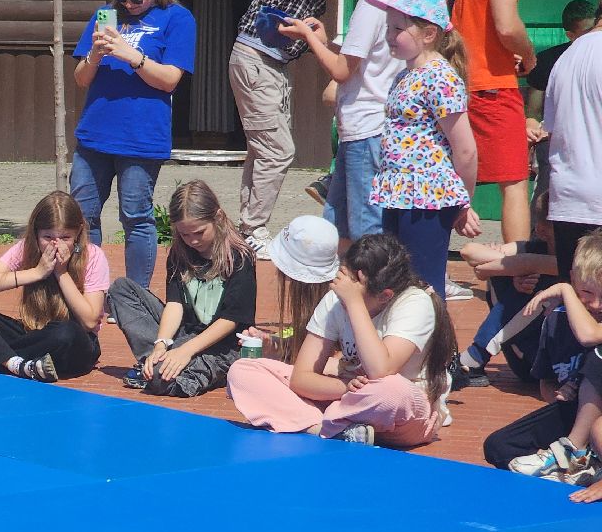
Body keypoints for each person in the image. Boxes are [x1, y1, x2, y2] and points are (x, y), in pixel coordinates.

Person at [227, 233, 456, 448]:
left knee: (392, 390)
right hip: (344, 395)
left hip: (398, 411)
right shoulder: (336, 297)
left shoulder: (415, 302)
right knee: (243, 370)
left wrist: (354, 304)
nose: (340, 294)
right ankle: (325, 429)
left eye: (352, 291)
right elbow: (301, 378)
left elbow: (380, 371)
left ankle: (314, 422)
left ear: (385, 296)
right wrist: (345, 387)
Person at [70, 0, 195, 286]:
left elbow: (170, 79)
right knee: (82, 217)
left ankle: (134, 297)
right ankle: (90, 288)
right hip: (95, 133)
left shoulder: (177, 19)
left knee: (136, 216)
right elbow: (81, 79)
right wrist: (95, 54)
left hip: (141, 137)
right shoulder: (105, 14)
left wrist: (131, 56)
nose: (128, 4)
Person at [279, 0, 400, 250]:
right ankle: (346, 294)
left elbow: (342, 71)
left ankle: (371, 294)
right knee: (339, 223)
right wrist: (324, 40)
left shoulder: (369, 6)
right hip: (366, 129)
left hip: (366, 129)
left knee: (364, 228)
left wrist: (308, 38)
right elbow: (359, 65)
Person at [227, 0, 333, 258]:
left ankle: (247, 228)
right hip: (256, 61)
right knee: (278, 151)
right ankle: (253, 227)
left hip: (271, 66)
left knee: (263, 149)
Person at [368, 0, 482, 297]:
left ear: (428, 34)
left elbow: (465, 149)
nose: (390, 36)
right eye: (388, 28)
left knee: (423, 284)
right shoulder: (404, 76)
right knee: (395, 281)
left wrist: (463, 203)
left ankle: (434, 345)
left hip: (427, 197)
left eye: (398, 29)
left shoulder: (440, 78)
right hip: (399, 193)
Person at [0, 191, 105, 382]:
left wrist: (61, 272)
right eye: (48, 237)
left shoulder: (93, 256)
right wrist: (37, 272)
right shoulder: (26, 248)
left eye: (65, 238)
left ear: (78, 232)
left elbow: (89, 321)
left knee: (65, 332)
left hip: (73, 344)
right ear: (36, 232)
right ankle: (16, 364)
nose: (56, 245)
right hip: (32, 333)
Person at [109, 180, 257, 398]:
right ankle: (158, 359)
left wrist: (186, 350)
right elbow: (175, 303)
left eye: (199, 232)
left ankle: (188, 368)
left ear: (217, 218)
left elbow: (231, 319)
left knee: (162, 380)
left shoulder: (239, 257)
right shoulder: (180, 252)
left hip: (222, 344)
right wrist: (161, 344)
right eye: (185, 234)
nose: (192, 241)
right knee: (121, 289)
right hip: (183, 333)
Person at [439, 0, 535, 245]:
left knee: (450, 179)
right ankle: (518, 277)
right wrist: (530, 55)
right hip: (494, 85)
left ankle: (433, 268)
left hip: (457, 86)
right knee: (515, 183)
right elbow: (506, 25)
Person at [482, 232, 602, 473]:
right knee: (498, 447)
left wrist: (566, 291)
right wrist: (560, 393)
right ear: (573, 278)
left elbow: (589, 336)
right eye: (587, 293)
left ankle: (575, 453)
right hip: (574, 411)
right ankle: (577, 470)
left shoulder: (571, 300)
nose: (597, 304)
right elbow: (545, 381)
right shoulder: (555, 320)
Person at [454, 187, 559, 385]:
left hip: (552, 364)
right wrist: (513, 270)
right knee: (503, 275)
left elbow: (531, 264)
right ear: (541, 231)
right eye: (559, 230)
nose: (567, 235)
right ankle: (474, 360)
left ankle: (473, 358)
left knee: (547, 294)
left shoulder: (577, 260)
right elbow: (469, 251)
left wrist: (516, 266)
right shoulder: (535, 246)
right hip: (524, 357)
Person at [543, 0, 602, 283]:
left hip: (569, 198)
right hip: (595, 200)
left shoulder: (566, 57)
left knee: (575, 302)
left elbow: (552, 128)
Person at [237, 215, 339, 366]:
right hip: (325, 376)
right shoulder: (325, 298)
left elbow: (342, 362)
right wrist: (272, 345)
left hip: (343, 379)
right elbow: (311, 345)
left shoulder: (338, 303)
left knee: (242, 374)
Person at [525, 0, 594, 197]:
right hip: (557, 140)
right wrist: (533, 127)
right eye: (585, 33)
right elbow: (533, 113)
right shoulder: (549, 61)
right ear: (570, 35)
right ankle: (540, 224)